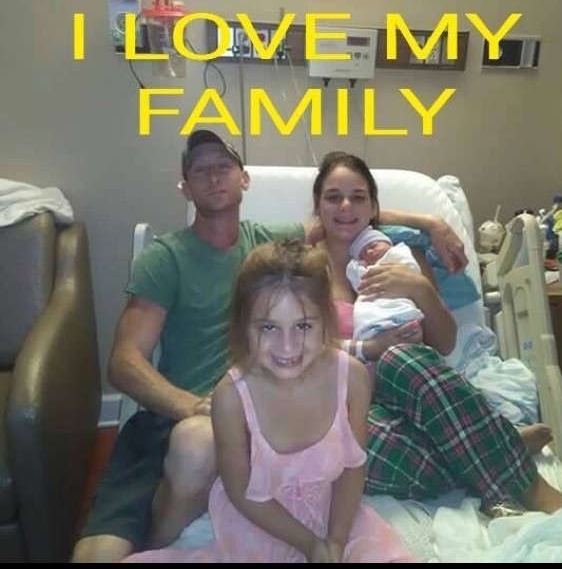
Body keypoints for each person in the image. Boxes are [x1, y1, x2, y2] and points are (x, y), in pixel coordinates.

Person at [71, 129, 468, 563]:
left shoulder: (269, 245)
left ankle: (161, 537)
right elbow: (124, 362)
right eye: (200, 170)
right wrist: (190, 405)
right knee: (98, 554)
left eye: (224, 166)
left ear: (244, 179)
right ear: (185, 187)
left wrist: (431, 222)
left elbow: (344, 215)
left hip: (251, 416)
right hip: (173, 415)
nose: (214, 176)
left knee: (199, 449)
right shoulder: (166, 257)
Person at [311, 149, 562, 517]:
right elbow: (301, 346)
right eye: (333, 197)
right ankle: (496, 441)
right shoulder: (304, 265)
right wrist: (369, 347)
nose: (345, 206)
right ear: (317, 206)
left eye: (358, 197)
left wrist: (419, 288)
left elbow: (446, 344)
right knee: (362, 450)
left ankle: (530, 488)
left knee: (399, 357)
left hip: (412, 380)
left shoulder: (402, 253)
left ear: (373, 207)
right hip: (350, 398)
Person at [121, 239, 417, 563]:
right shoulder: (231, 397)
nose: (288, 346)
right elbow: (240, 490)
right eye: (269, 328)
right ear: (244, 326)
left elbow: (352, 469)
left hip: (338, 520)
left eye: (303, 325)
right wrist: (310, 545)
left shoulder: (353, 379)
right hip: (262, 526)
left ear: (326, 321)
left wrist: (334, 541)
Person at [346, 225, 424, 343]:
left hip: (398, 307)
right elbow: (359, 286)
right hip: (372, 316)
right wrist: (359, 267)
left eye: (373, 246)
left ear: (389, 245)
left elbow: (412, 271)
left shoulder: (396, 254)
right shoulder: (366, 269)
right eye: (363, 254)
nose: (369, 252)